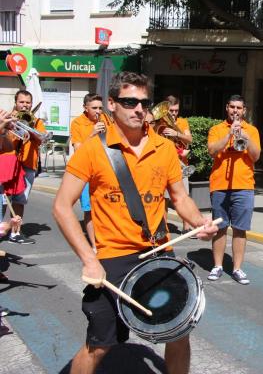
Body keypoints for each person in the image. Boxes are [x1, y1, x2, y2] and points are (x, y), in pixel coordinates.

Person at [52, 72, 218, 374]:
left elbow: (180, 198)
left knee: (179, 333)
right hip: (112, 259)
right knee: (100, 343)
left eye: (144, 102)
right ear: (112, 104)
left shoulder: (164, 148)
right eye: (130, 102)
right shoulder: (93, 149)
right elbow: (62, 206)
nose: (139, 109)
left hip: (158, 253)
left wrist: (198, 222)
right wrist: (90, 260)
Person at [206, 95, 260, 285]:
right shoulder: (216, 129)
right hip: (220, 185)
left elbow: (255, 156)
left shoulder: (251, 130)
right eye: (232, 107)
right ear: (226, 108)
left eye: (239, 108)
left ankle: (237, 268)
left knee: (240, 229)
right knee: (219, 228)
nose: (235, 111)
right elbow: (212, 151)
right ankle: (218, 266)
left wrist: (244, 137)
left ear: (244, 110)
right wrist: (229, 135)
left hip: (244, 186)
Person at [6, 90, 49, 244]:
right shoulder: (6, 119)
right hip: (8, 164)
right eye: (22, 102)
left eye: (28, 102)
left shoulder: (36, 121)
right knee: (3, 200)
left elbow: (42, 139)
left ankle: (15, 233)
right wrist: (12, 124)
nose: (25, 105)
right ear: (16, 102)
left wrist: (29, 127)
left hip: (28, 165)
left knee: (20, 199)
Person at [70, 93, 106, 247]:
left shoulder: (106, 120)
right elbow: (79, 150)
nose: (98, 111)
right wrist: (92, 133)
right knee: (89, 209)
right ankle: (94, 244)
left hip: (103, 170)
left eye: (100, 108)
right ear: (85, 108)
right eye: (94, 108)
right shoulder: (77, 123)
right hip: (86, 172)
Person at [158, 96, 194, 232]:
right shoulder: (159, 123)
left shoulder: (183, 122)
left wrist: (176, 134)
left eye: (176, 111)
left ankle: (187, 227)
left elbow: (189, 139)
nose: (174, 114)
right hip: (165, 163)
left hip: (181, 164)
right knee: (164, 198)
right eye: (171, 111)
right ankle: (163, 228)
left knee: (183, 197)